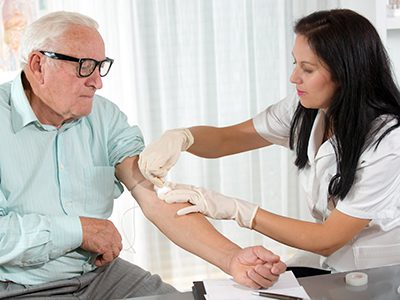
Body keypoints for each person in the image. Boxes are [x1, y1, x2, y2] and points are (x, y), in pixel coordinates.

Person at [0, 11, 287, 299]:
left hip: (99, 276)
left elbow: (154, 196)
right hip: (19, 287)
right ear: (39, 65)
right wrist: (78, 230)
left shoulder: (104, 116)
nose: (97, 82)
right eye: (85, 66)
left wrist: (232, 259)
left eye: (101, 66)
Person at [139, 8, 400, 277]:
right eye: (295, 63)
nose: (294, 78)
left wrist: (237, 210)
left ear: (346, 73)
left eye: (307, 69)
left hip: (380, 272)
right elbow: (225, 139)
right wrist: (182, 137)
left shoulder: (388, 141)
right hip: (335, 265)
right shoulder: (304, 110)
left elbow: (327, 239)